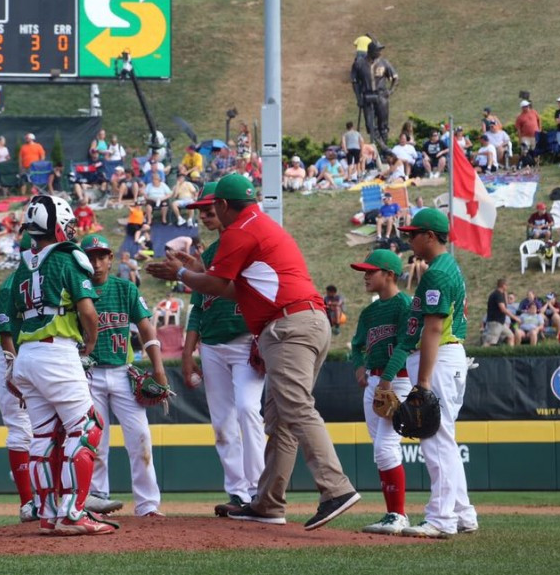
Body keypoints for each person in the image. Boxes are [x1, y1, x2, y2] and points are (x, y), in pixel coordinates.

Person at [146, 173, 360, 530]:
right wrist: (196, 271)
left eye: (214, 206)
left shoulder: (239, 230)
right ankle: (268, 504)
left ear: (224, 205)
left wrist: (182, 272)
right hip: (303, 321)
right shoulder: (257, 223)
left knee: (295, 408)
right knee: (279, 419)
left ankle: (335, 488)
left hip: (288, 326)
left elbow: (214, 284)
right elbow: (235, 290)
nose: (211, 211)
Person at [5, 195, 111, 536]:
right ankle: (73, 513)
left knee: (44, 437)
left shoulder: (22, 265)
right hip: (57, 352)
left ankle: (50, 513)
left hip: (27, 357)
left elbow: (15, 323)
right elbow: (89, 313)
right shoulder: (69, 259)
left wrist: (13, 367)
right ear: (56, 225)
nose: (73, 229)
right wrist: (90, 345)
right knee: (87, 428)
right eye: (68, 223)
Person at [385, 208, 478, 538]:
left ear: (430, 236)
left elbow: (434, 328)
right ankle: (463, 513)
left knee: (435, 441)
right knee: (444, 441)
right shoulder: (445, 266)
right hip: (448, 358)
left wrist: (422, 382)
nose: (409, 239)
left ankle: (441, 519)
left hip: (439, 359)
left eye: (413, 233)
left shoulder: (437, 272)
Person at [179, 182, 266, 517]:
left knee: (247, 409)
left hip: (246, 341)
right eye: (200, 210)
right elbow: (199, 306)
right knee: (222, 423)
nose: (204, 215)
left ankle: (259, 491)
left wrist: (264, 335)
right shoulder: (210, 254)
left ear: (225, 205)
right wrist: (187, 355)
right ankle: (237, 492)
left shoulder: (248, 242)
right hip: (213, 346)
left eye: (208, 208)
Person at [76, 234, 166, 517]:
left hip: (121, 372)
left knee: (140, 437)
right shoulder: (76, 291)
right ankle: (98, 499)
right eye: (90, 257)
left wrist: (159, 368)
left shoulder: (124, 289)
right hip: (89, 374)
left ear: (111, 258)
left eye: (102, 256)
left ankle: (148, 505)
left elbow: (146, 328)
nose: (97, 262)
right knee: (96, 441)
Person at [348, 249, 413, 535]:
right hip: (375, 383)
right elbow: (356, 345)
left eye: (370, 271)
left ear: (388, 275)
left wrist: (386, 379)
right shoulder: (369, 312)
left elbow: (405, 345)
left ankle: (398, 515)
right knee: (380, 449)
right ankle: (392, 514)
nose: (365, 276)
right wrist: (360, 365)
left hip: (397, 381)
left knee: (386, 447)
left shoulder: (404, 305)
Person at [0, 246, 37, 523]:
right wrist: (13, 370)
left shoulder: (54, 276)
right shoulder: (10, 286)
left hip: (44, 351)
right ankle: (28, 502)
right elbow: (6, 334)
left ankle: (54, 494)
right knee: (20, 426)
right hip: (12, 353)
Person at [484, 278, 518, 347]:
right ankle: (479, 356)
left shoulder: (501, 295)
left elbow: (506, 305)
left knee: (510, 336)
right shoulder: (497, 295)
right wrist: (515, 318)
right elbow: (503, 309)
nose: (507, 287)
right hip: (495, 322)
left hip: (501, 323)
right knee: (490, 342)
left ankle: (510, 354)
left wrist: (505, 293)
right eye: (506, 285)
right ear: (503, 285)